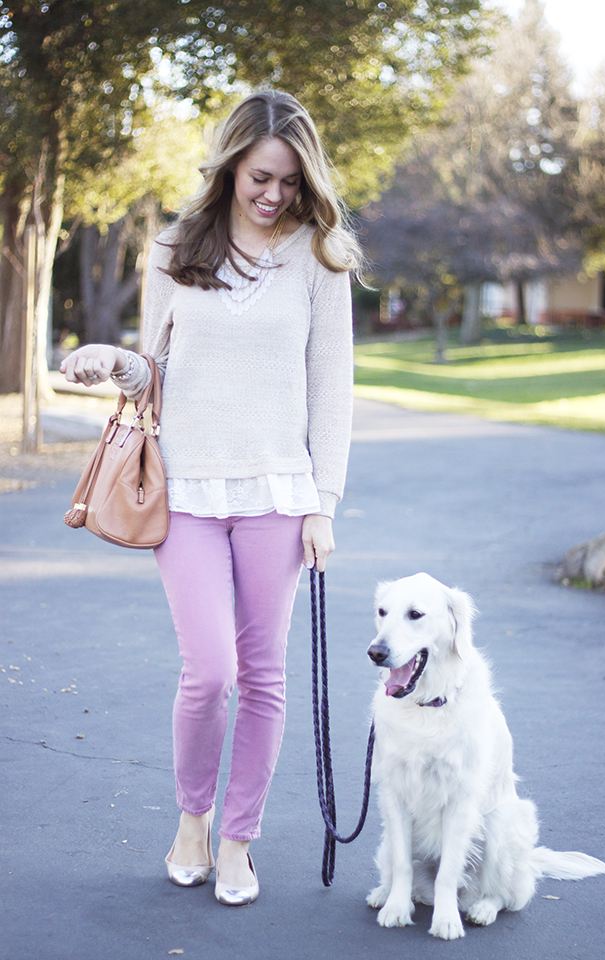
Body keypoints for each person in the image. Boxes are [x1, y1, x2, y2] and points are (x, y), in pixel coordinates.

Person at [60, 90, 361, 906]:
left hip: (277, 493)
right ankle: (192, 818)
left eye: (291, 184)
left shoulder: (318, 256)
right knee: (210, 671)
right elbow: (154, 368)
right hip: (186, 489)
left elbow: (330, 389)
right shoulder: (173, 246)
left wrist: (323, 503)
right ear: (231, 166)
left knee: (264, 676)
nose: (274, 195)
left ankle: (238, 840)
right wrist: (107, 360)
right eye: (261, 177)